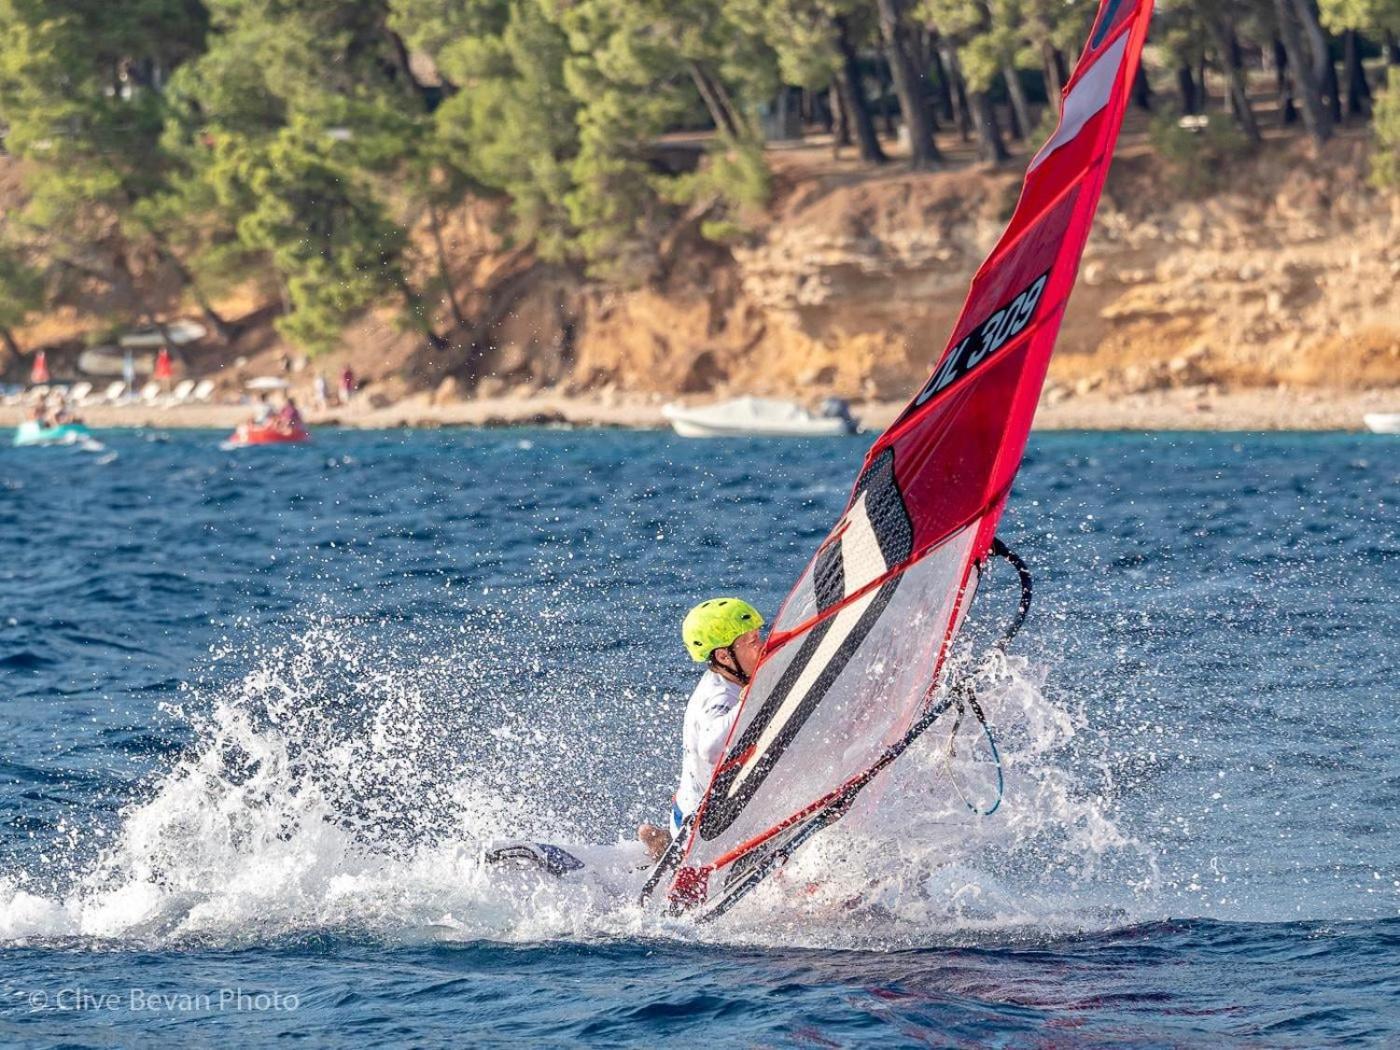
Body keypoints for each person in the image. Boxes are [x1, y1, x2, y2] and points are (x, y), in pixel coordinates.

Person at [638, 598, 765, 861]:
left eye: (758, 637)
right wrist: (747, 701)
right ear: (723, 655)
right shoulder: (721, 697)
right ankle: (667, 848)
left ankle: (662, 841)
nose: (762, 647)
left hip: (686, 811)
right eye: (752, 642)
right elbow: (711, 748)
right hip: (702, 831)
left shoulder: (722, 681)